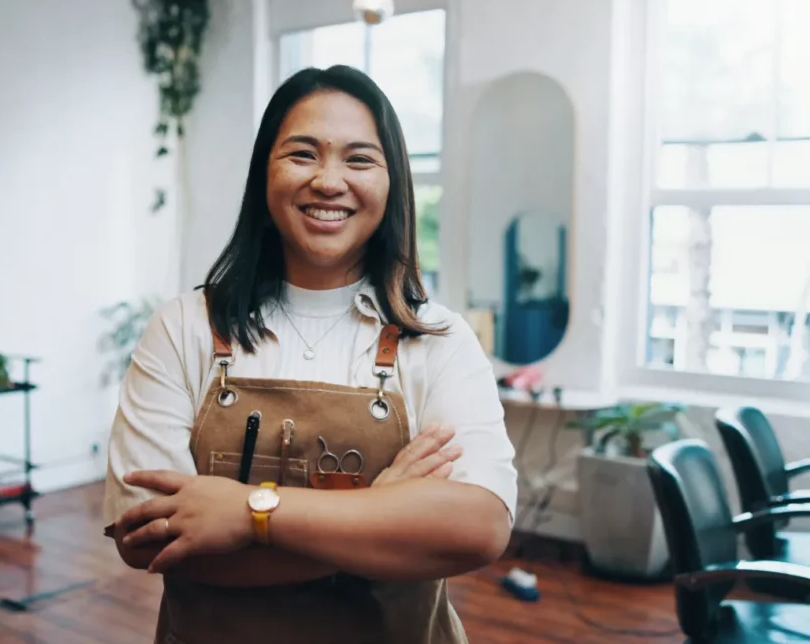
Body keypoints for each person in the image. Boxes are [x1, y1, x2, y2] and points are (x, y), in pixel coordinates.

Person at [103, 64, 517, 644]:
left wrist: (249, 513)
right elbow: (150, 539)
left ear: (392, 181)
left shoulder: (437, 339)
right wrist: (380, 514)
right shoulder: (184, 328)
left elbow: (477, 528)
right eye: (302, 154)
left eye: (359, 159)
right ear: (263, 174)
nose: (328, 181)